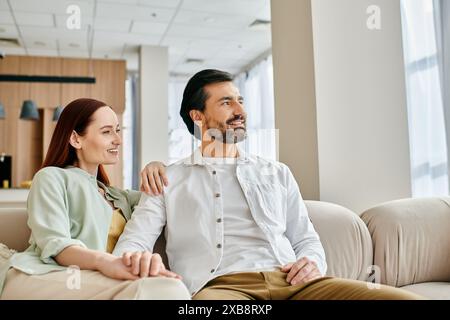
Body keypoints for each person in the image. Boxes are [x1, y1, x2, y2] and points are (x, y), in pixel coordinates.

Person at [114, 69, 424, 300]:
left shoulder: (277, 173)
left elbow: (307, 241)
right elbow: (132, 245)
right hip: (222, 289)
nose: (241, 112)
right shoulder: (168, 178)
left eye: (241, 101)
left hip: (294, 283)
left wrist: (311, 263)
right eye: (226, 103)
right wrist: (143, 263)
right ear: (198, 116)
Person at [0, 98, 190, 300]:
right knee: (165, 290)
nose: (118, 139)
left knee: (166, 287)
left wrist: (156, 166)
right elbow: (57, 247)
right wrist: (109, 263)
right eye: (107, 132)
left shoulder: (118, 196)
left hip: (96, 280)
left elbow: (166, 199)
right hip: (42, 274)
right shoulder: (50, 177)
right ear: (76, 139)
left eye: (117, 130)